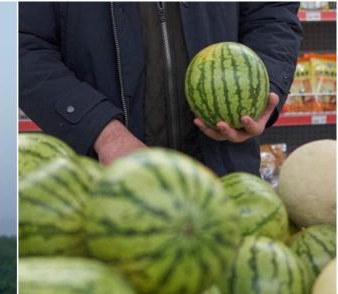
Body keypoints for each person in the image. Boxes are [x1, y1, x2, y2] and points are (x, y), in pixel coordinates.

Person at [19, 2, 302, 176]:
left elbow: (272, 14)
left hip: (224, 172)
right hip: (101, 181)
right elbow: (21, 43)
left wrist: (264, 88)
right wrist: (101, 131)